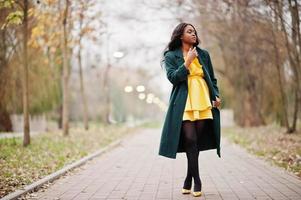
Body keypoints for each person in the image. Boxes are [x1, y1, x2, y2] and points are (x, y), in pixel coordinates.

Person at [159, 22, 221, 197]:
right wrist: (187, 62)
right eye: (189, 31)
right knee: (190, 139)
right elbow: (173, 78)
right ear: (181, 36)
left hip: (202, 99)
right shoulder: (171, 56)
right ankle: (197, 180)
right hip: (184, 102)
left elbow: (212, 79)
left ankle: (188, 178)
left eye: (194, 31)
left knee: (195, 143)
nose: (193, 34)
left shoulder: (204, 54)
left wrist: (216, 95)